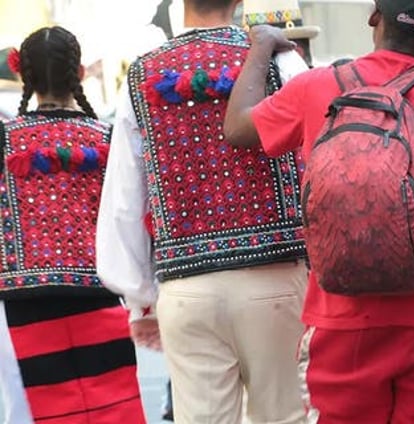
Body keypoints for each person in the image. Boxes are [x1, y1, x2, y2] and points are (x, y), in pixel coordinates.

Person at [223, 0, 414, 421]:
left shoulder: (316, 87)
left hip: (343, 310)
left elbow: (237, 127)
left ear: (375, 17)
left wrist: (262, 45)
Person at [95, 0, 312, 422]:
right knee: (285, 415)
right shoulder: (280, 62)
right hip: (276, 276)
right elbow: (316, 164)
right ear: (239, 2)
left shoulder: (141, 75)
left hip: (186, 288)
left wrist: (140, 300)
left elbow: (125, 195)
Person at [0, 26, 145, 424]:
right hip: (99, 294)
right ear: (79, 73)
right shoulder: (106, 136)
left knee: (35, 411)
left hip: (22, 302)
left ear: (23, 77)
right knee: (113, 408)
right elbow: (127, 216)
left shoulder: (6, 139)